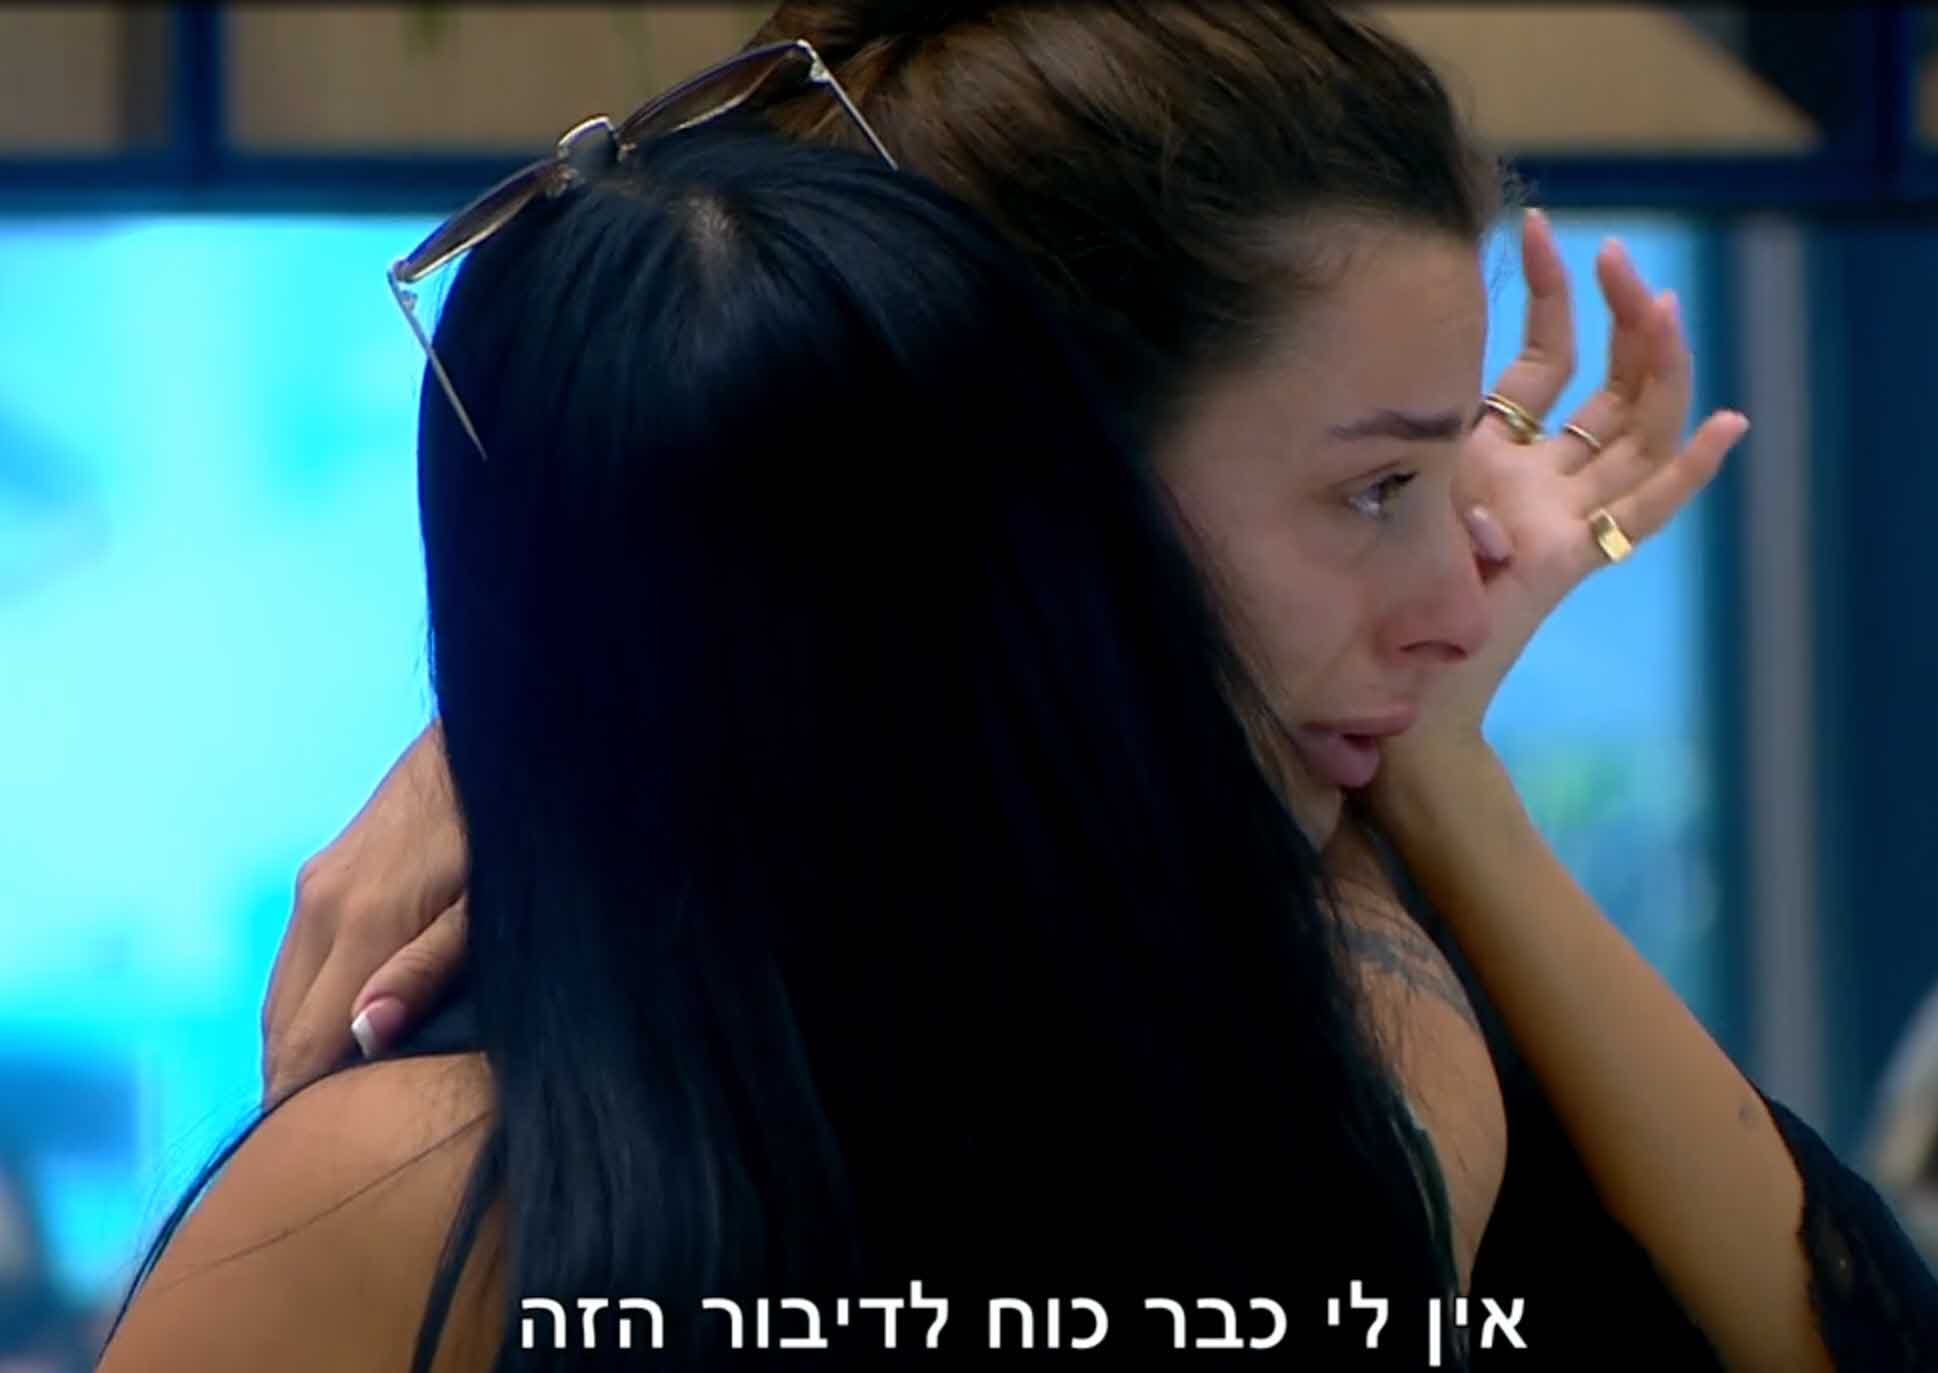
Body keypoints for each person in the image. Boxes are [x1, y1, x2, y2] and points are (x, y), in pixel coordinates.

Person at [248, 0, 1938, 1365]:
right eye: (1373, 487)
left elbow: (1845, 1326)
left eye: (1448, 477)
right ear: (1023, 493)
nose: (1457, 600)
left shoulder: (1355, 998)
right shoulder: (1345, 1039)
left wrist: (1435, 764)